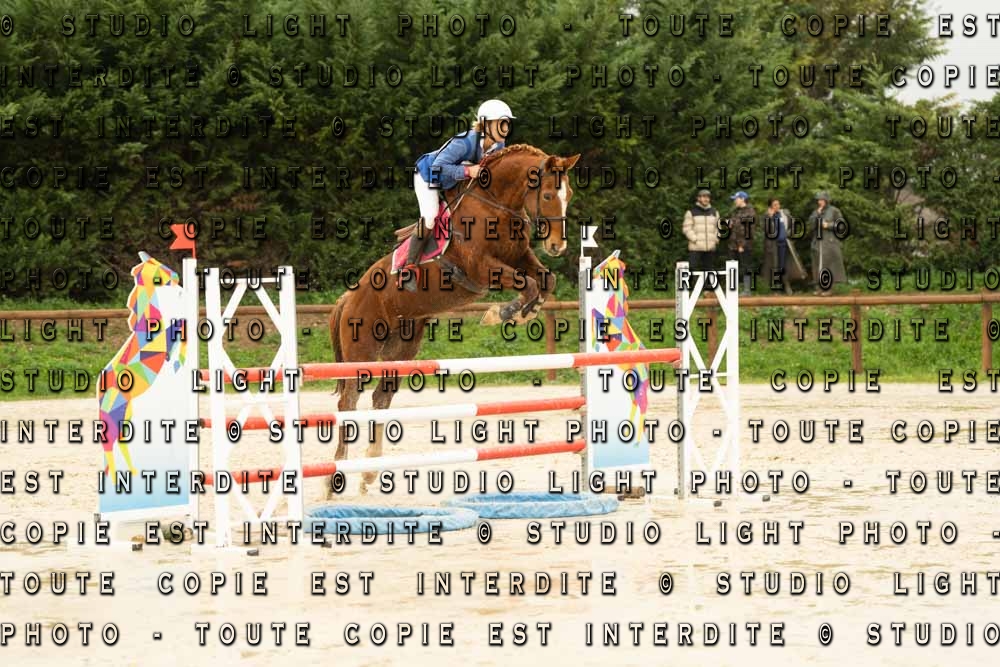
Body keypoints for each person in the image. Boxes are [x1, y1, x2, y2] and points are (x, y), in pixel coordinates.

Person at [404, 99, 515, 274]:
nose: (506, 128)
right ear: (486, 124)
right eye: (501, 123)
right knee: (431, 216)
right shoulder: (465, 141)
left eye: (507, 123)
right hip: (428, 175)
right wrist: (468, 171)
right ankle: (409, 265)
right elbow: (437, 167)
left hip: (453, 180)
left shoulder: (498, 145)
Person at [808, 191, 847, 295]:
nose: (819, 202)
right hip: (817, 242)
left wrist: (828, 225)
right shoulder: (816, 211)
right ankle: (820, 288)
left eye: (821, 200)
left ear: (826, 200)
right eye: (818, 200)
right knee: (818, 265)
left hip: (829, 242)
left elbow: (841, 225)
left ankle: (829, 289)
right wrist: (817, 214)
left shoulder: (834, 211)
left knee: (829, 265)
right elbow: (811, 225)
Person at [682, 189, 721, 273]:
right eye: (703, 197)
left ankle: (708, 282)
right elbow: (687, 228)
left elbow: (718, 228)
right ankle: (690, 282)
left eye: (708, 197)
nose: (706, 199)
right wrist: (695, 239)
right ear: (698, 198)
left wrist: (715, 239)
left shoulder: (715, 212)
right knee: (691, 269)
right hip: (695, 247)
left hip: (710, 247)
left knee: (709, 270)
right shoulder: (691, 212)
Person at [762, 197, 793, 294]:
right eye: (774, 205)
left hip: (784, 244)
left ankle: (786, 285)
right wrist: (770, 217)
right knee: (774, 266)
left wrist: (789, 234)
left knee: (783, 265)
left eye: (778, 204)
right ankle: (776, 288)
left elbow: (792, 225)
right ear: (770, 206)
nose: (777, 206)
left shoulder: (784, 214)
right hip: (773, 245)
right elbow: (767, 230)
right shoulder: (767, 216)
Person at [727, 191, 756, 295]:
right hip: (733, 244)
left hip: (744, 245)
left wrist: (742, 245)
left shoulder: (750, 212)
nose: (735, 201)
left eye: (736, 199)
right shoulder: (736, 211)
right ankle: (733, 289)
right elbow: (735, 225)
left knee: (746, 266)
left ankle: (747, 290)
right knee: (732, 266)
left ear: (742, 199)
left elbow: (749, 231)